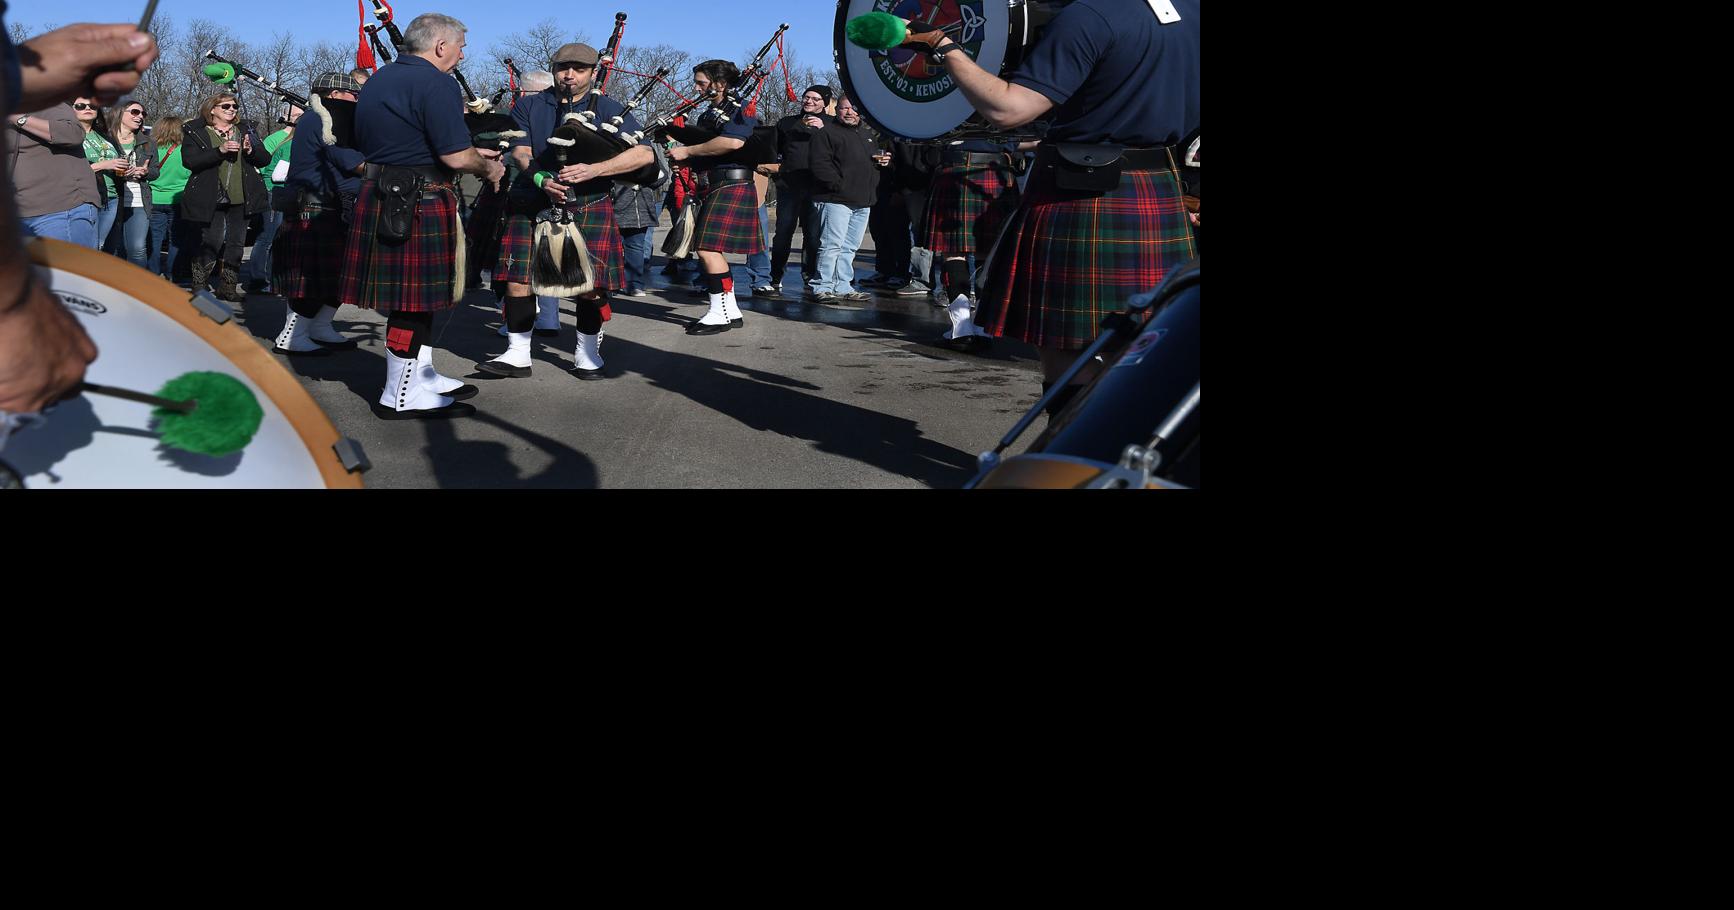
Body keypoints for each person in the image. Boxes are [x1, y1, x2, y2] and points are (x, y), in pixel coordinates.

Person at [902, 0, 1199, 408]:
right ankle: (1133, 452)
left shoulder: (1091, 15)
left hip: (1080, 199)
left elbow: (1008, 109)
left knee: (1066, 347)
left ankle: (1075, 455)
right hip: (1158, 188)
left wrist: (942, 44)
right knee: (1140, 346)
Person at [338, 12, 502, 420]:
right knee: (411, 301)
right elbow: (452, 155)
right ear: (441, 46)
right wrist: (487, 167)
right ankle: (400, 393)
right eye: (461, 47)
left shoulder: (379, 80)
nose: (462, 56)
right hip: (421, 197)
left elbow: (397, 141)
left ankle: (421, 376)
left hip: (386, 191)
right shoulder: (437, 82)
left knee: (414, 299)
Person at [0, 8, 159, 418]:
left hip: (64, 207)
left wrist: (16, 113)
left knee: (74, 297)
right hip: (20, 214)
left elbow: (70, 132)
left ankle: (93, 384)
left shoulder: (47, 101)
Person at [488, 42, 652, 380]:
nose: (570, 75)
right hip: (533, 201)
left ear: (593, 73)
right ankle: (517, 353)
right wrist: (540, 176)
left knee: (589, 285)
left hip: (588, 202)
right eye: (564, 68)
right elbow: (520, 151)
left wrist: (596, 170)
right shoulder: (529, 105)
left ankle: (587, 351)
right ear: (554, 69)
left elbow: (644, 155)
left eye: (579, 69)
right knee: (517, 279)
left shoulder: (609, 108)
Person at [270, 72, 368, 357]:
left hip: (334, 203)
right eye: (354, 95)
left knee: (339, 273)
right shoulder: (320, 119)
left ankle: (320, 326)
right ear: (334, 94)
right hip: (317, 205)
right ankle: (292, 336)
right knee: (315, 275)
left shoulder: (325, 118)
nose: (357, 100)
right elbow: (347, 160)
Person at [667, 59, 761, 336]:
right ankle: (730, 309)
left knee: (707, 248)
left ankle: (717, 313)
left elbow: (733, 142)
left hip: (732, 184)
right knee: (711, 249)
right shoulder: (713, 111)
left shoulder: (740, 108)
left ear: (720, 83)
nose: (696, 88)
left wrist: (689, 152)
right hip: (716, 183)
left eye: (701, 83)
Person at [920, 136, 1022, 349]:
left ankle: (962, 329)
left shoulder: (951, 102)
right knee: (989, 254)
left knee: (954, 251)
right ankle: (983, 328)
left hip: (958, 171)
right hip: (998, 173)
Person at [179, 91, 271, 304]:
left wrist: (250, 151)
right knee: (212, 240)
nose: (232, 110)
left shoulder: (245, 130)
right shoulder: (197, 131)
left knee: (236, 243)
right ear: (212, 109)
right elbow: (190, 162)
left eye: (234, 107)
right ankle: (199, 285)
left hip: (241, 195)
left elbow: (264, 159)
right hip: (211, 195)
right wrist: (219, 150)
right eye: (226, 107)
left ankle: (228, 287)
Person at [805, 94, 880, 302]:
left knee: (849, 247)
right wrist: (838, 185)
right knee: (831, 245)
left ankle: (843, 285)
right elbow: (820, 165)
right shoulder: (826, 133)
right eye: (844, 108)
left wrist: (884, 163)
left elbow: (871, 161)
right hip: (835, 198)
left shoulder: (867, 134)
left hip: (863, 199)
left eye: (854, 109)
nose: (850, 112)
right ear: (836, 110)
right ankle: (822, 286)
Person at [761, 84, 830, 298]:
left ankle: (809, 275)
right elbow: (774, 150)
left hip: (817, 187)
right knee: (783, 232)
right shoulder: (787, 122)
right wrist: (776, 172)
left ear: (825, 103)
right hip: (789, 186)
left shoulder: (832, 125)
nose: (809, 101)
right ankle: (775, 274)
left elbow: (839, 149)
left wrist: (823, 129)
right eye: (806, 97)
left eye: (815, 99)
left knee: (813, 235)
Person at [9, 99, 102, 248]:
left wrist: (17, 117)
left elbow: (74, 134)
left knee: (71, 269)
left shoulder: (49, 104)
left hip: (62, 211)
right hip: (19, 213)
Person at [243, 102, 300, 293]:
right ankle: (258, 280)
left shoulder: (292, 142)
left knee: (276, 238)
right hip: (273, 192)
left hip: (281, 194)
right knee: (267, 237)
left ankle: (270, 279)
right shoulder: (288, 144)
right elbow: (276, 174)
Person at [612, 139, 670, 298]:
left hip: (638, 206)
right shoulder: (612, 148)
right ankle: (619, 284)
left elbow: (662, 175)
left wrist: (644, 179)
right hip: (618, 202)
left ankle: (633, 284)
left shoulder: (644, 151)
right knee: (618, 247)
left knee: (634, 246)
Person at [104, 99, 157, 270]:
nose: (140, 116)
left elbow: (156, 172)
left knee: (137, 249)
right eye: (135, 112)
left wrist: (145, 172)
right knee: (109, 249)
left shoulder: (148, 142)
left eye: (143, 113)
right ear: (119, 113)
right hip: (111, 200)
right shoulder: (105, 139)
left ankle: (138, 290)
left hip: (138, 202)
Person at [146, 115, 195, 282]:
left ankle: (152, 271)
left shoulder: (151, 149)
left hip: (154, 198)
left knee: (155, 238)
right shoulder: (186, 150)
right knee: (176, 239)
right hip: (179, 199)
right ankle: (172, 273)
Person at [74, 98, 125, 253]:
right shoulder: (70, 136)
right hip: (84, 198)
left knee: (99, 245)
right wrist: (103, 165)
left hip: (111, 198)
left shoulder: (106, 137)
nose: (88, 108)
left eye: (93, 106)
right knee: (87, 246)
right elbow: (66, 170)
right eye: (81, 106)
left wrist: (125, 170)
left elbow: (117, 162)